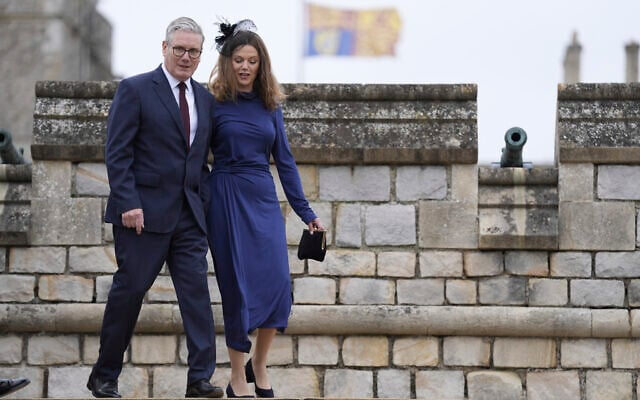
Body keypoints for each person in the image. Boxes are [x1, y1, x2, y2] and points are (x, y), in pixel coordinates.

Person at [87, 17, 223, 399]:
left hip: (188, 218)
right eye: (178, 48)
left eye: (193, 51)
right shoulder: (135, 89)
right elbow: (118, 151)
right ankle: (104, 375)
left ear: (200, 55)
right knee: (129, 293)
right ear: (164, 48)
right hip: (141, 217)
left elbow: (202, 160)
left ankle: (200, 379)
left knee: (197, 296)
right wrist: (128, 203)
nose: (185, 56)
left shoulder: (206, 100)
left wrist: (203, 200)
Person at [206, 19, 325, 398]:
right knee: (236, 289)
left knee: (276, 285)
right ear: (228, 63)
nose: (244, 67)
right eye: (238, 59)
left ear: (261, 65)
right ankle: (237, 375)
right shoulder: (213, 104)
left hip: (261, 197)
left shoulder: (271, 106)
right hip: (225, 197)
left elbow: (286, 163)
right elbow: (191, 157)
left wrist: (307, 213)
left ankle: (260, 362)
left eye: (252, 60)